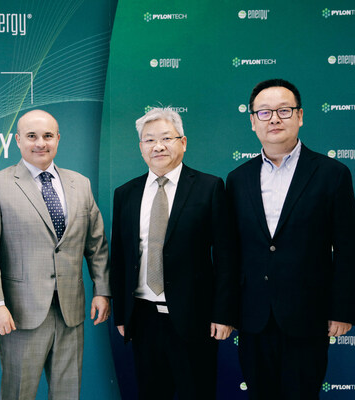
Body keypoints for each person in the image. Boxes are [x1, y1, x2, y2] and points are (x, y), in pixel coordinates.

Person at [226, 79, 355, 399]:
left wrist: (342, 310)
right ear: (253, 121)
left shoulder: (332, 173)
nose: (274, 119)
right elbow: (231, 252)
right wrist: (227, 312)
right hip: (253, 317)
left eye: (284, 111)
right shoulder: (238, 178)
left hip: (308, 315)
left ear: (300, 116)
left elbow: (347, 248)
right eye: (264, 112)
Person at [0, 109, 110, 400]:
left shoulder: (80, 183)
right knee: (18, 394)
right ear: (17, 140)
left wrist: (102, 290)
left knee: (68, 393)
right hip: (20, 313)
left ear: (58, 138)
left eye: (48, 136)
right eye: (31, 136)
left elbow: (96, 243)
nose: (40, 143)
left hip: (71, 311)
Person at [110, 107, 238, 399]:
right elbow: (119, 258)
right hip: (142, 318)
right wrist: (122, 315)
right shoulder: (125, 193)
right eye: (149, 140)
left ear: (183, 142)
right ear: (141, 147)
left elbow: (226, 257)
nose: (158, 146)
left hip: (194, 318)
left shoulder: (209, 187)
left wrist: (224, 313)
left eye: (166, 138)